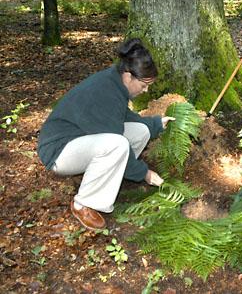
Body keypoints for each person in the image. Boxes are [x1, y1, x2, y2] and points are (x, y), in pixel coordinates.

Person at [38, 39, 175, 230]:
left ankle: (107, 177)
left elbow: (125, 117)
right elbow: (119, 142)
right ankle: (84, 203)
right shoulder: (106, 91)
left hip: (79, 140)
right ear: (128, 77)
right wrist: (145, 174)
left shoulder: (115, 82)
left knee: (140, 132)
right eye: (144, 85)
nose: (146, 90)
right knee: (117, 144)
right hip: (58, 152)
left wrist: (155, 124)